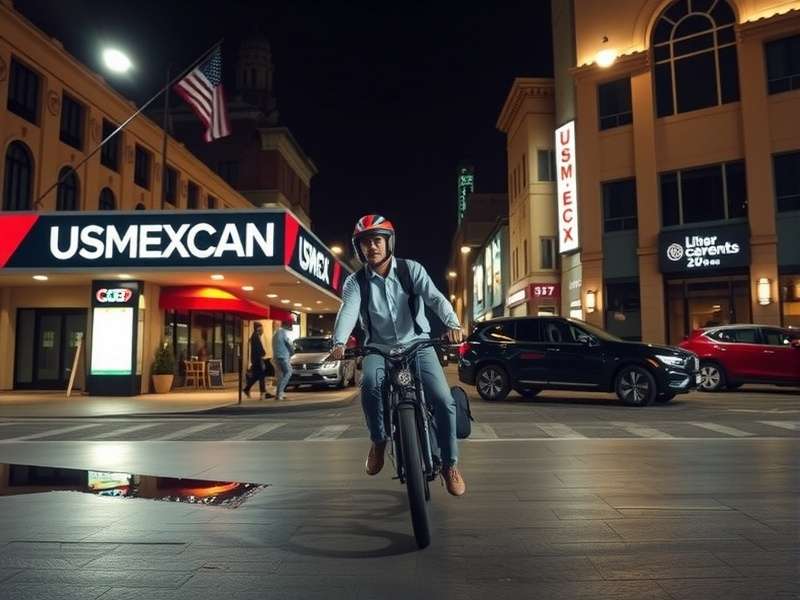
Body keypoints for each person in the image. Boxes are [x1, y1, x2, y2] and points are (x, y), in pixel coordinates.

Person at [328, 214, 466, 496]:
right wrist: (339, 342)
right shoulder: (356, 282)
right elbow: (348, 311)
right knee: (369, 386)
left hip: (418, 345)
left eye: (377, 240)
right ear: (359, 249)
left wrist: (453, 324)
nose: (372, 247)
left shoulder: (410, 270)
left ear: (389, 243)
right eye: (365, 243)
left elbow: (435, 298)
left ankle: (450, 465)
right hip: (378, 348)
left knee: (443, 399)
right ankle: (379, 440)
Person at [243, 322, 272, 399]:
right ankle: (262, 393)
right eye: (261, 328)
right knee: (261, 375)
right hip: (257, 359)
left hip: (256, 359)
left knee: (257, 376)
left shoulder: (255, 336)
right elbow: (259, 349)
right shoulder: (255, 336)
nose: (263, 330)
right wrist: (263, 354)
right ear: (258, 328)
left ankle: (248, 389)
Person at [272, 318, 295, 400]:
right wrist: (292, 351)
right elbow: (287, 343)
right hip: (282, 357)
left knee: (280, 376)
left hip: (276, 357)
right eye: (290, 324)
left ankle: (278, 394)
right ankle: (280, 393)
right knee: (289, 372)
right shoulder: (282, 332)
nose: (291, 326)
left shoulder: (275, 333)